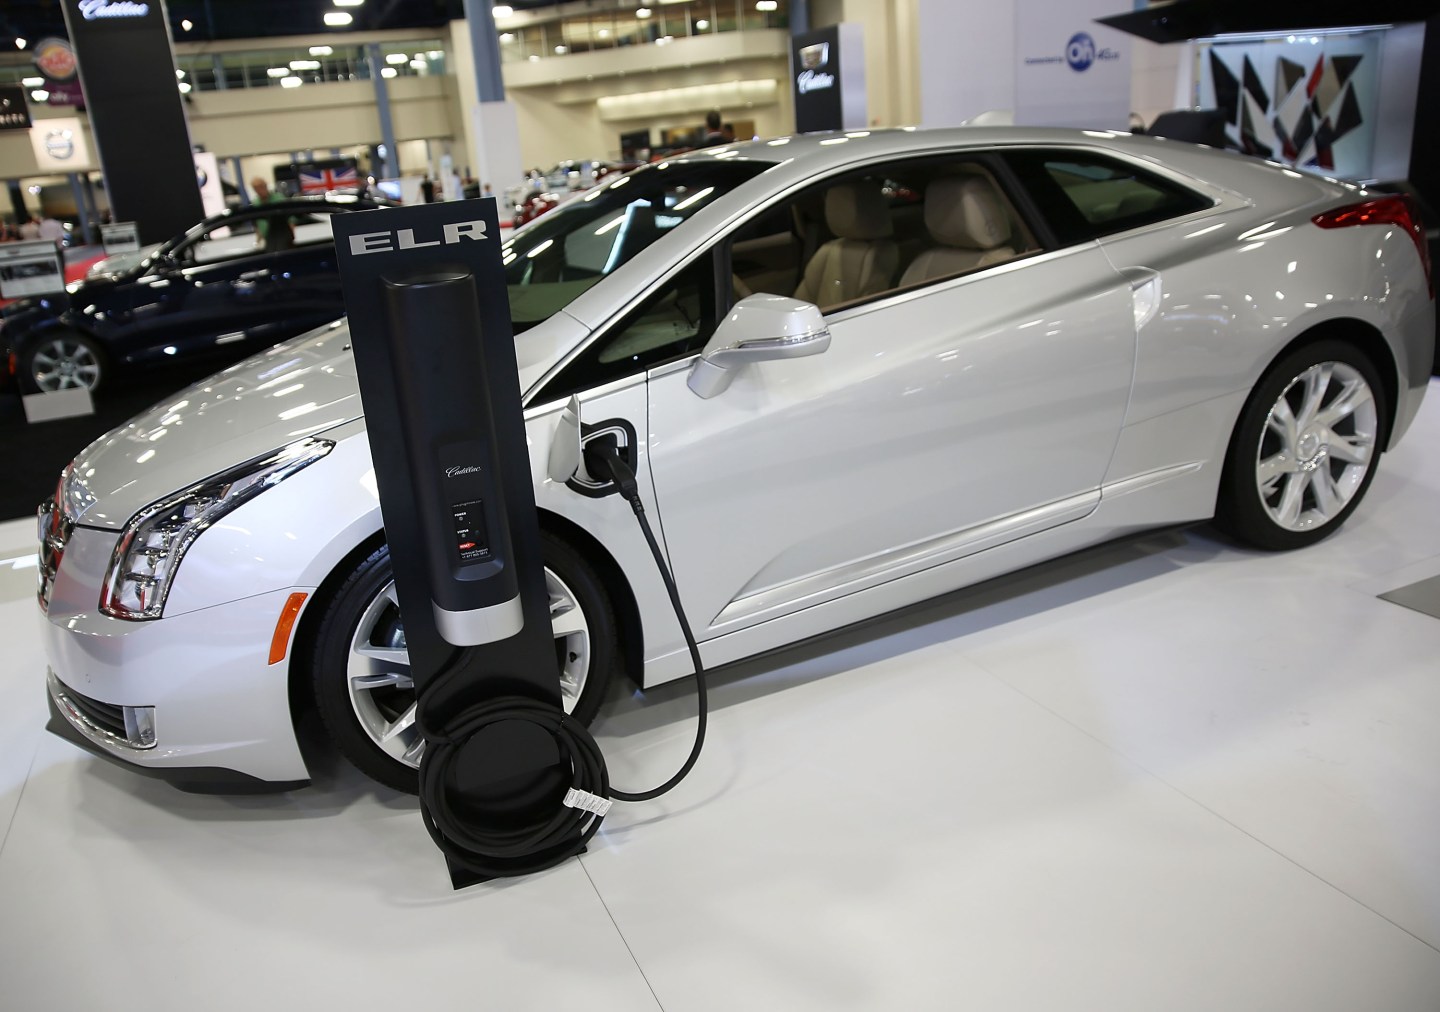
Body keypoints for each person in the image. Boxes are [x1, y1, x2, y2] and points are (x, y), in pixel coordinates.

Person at [250, 177, 293, 252]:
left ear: (265, 186)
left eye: (261, 187)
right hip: (268, 241)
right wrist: (258, 240)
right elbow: (256, 224)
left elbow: (290, 219)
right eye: (256, 189)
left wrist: (292, 235)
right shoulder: (255, 204)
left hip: (282, 237)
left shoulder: (279, 199)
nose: (259, 190)